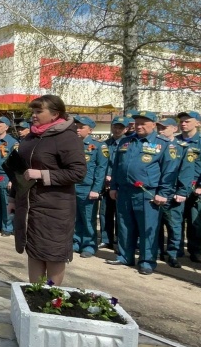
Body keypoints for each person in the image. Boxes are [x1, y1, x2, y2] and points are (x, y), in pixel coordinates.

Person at [8, 95, 86, 285]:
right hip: (29, 204)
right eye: (32, 112)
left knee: (53, 253)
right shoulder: (31, 138)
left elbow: (78, 172)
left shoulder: (67, 137)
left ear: (55, 114)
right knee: (33, 249)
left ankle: (51, 297)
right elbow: (20, 171)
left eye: (38, 112)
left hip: (54, 207)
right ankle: (35, 294)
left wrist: (43, 174)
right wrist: (12, 198)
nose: (33, 116)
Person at [107, 111, 180, 275]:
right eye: (137, 123)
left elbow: (169, 172)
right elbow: (117, 166)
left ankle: (147, 261)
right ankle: (125, 256)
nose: (138, 126)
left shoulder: (164, 144)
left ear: (153, 125)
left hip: (148, 193)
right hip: (125, 191)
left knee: (148, 227)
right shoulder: (126, 141)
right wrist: (113, 186)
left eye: (143, 123)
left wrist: (163, 193)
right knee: (125, 225)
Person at [156, 118, 191, 269]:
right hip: (155, 192)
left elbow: (186, 171)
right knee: (154, 224)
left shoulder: (182, 147)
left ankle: (173, 254)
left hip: (173, 193)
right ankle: (156, 251)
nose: (160, 130)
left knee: (174, 226)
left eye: (164, 127)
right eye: (159, 127)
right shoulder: (154, 145)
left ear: (174, 129)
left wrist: (182, 191)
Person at [73, 116, 108, 258]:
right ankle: (76, 241)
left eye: (81, 127)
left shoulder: (99, 146)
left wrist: (96, 189)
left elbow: (101, 169)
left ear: (90, 130)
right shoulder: (72, 144)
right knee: (74, 217)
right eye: (76, 126)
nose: (77, 129)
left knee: (88, 218)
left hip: (88, 188)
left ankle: (89, 244)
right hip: (72, 186)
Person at [99, 116, 132, 251]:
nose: (117, 130)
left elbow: (125, 166)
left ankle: (120, 240)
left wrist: (114, 178)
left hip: (119, 184)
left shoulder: (129, 144)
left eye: (121, 127)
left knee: (121, 214)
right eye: (115, 127)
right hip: (105, 184)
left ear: (126, 129)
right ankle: (106, 239)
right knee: (105, 212)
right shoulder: (105, 144)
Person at [176, 111, 201, 264]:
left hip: (195, 188)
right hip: (177, 187)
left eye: (187, 121)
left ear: (197, 123)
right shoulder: (174, 141)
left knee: (195, 222)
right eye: (182, 121)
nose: (183, 123)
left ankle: (196, 250)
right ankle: (176, 249)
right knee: (176, 220)